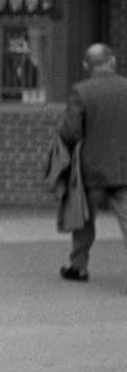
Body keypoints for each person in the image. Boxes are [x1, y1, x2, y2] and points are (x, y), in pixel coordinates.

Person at [58, 43, 127, 285]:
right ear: (113, 61)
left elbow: (71, 132)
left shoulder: (81, 91)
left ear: (87, 65)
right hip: (123, 167)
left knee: (84, 218)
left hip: (92, 169)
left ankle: (79, 267)